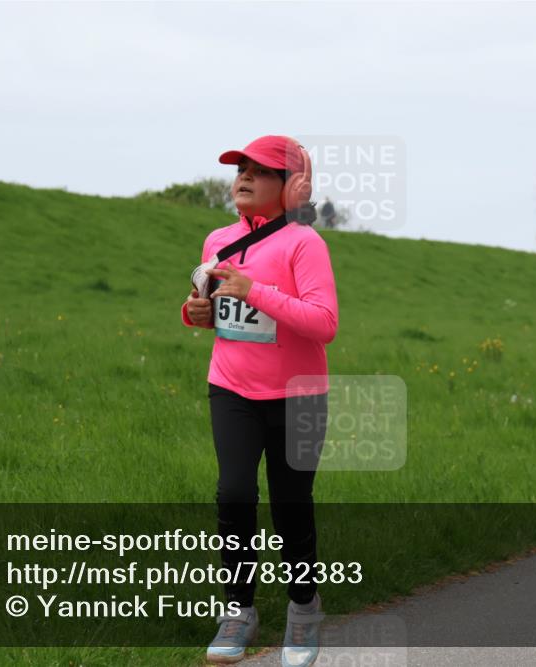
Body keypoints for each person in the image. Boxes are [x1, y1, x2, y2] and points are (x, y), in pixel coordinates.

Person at [180, 135, 339, 666]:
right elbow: (211, 309)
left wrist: (254, 291)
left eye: (260, 171)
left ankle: (302, 610)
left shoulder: (303, 244)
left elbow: (325, 324)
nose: (243, 177)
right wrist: (195, 313)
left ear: (292, 187)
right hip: (232, 388)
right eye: (240, 168)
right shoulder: (218, 240)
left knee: (291, 507)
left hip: (299, 396)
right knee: (234, 495)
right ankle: (239, 611)